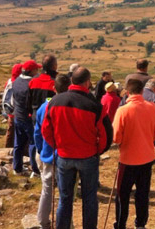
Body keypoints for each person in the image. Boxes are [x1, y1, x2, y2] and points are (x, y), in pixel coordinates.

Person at [41, 67, 113, 229]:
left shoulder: (55, 101)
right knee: (89, 198)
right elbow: (106, 135)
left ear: (72, 80)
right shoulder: (94, 104)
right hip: (87, 157)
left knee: (65, 198)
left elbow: (46, 129)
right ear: (87, 82)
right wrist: (98, 151)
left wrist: (57, 145)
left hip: (64, 156)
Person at [112, 79, 155, 229]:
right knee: (142, 194)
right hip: (147, 158)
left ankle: (121, 225)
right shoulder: (152, 107)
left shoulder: (123, 110)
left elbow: (116, 138)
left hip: (127, 160)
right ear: (142, 92)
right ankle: (140, 224)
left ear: (127, 93)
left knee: (122, 196)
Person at [34, 74, 70, 229]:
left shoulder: (44, 107)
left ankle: (43, 221)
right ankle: (67, 223)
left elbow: (37, 132)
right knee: (65, 192)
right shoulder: (70, 106)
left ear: (53, 88)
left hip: (48, 154)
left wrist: (41, 150)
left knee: (47, 189)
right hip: (66, 154)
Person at [28, 55, 58, 176]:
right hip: (49, 116)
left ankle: (35, 168)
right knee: (49, 142)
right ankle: (48, 167)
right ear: (54, 66)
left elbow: (28, 100)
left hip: (35, 115)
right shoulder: (53, 83)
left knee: (36, 139)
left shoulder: (33, 81)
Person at [12, 60, 40, 175]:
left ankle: (17, 168)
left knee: (18, 143)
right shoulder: (33, 83)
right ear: (32, 71)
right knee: (33, 143)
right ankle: (35, 169)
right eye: (36, 69)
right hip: (28, 118)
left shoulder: (16, 81)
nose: (38, 71)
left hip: (18, 116)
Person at [2, 63, 22, 148]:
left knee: (10, 131)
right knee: (19, 132)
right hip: (18, 111)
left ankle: (8, 148)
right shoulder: (19, 83)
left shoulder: (9, 81)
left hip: (9, 110)